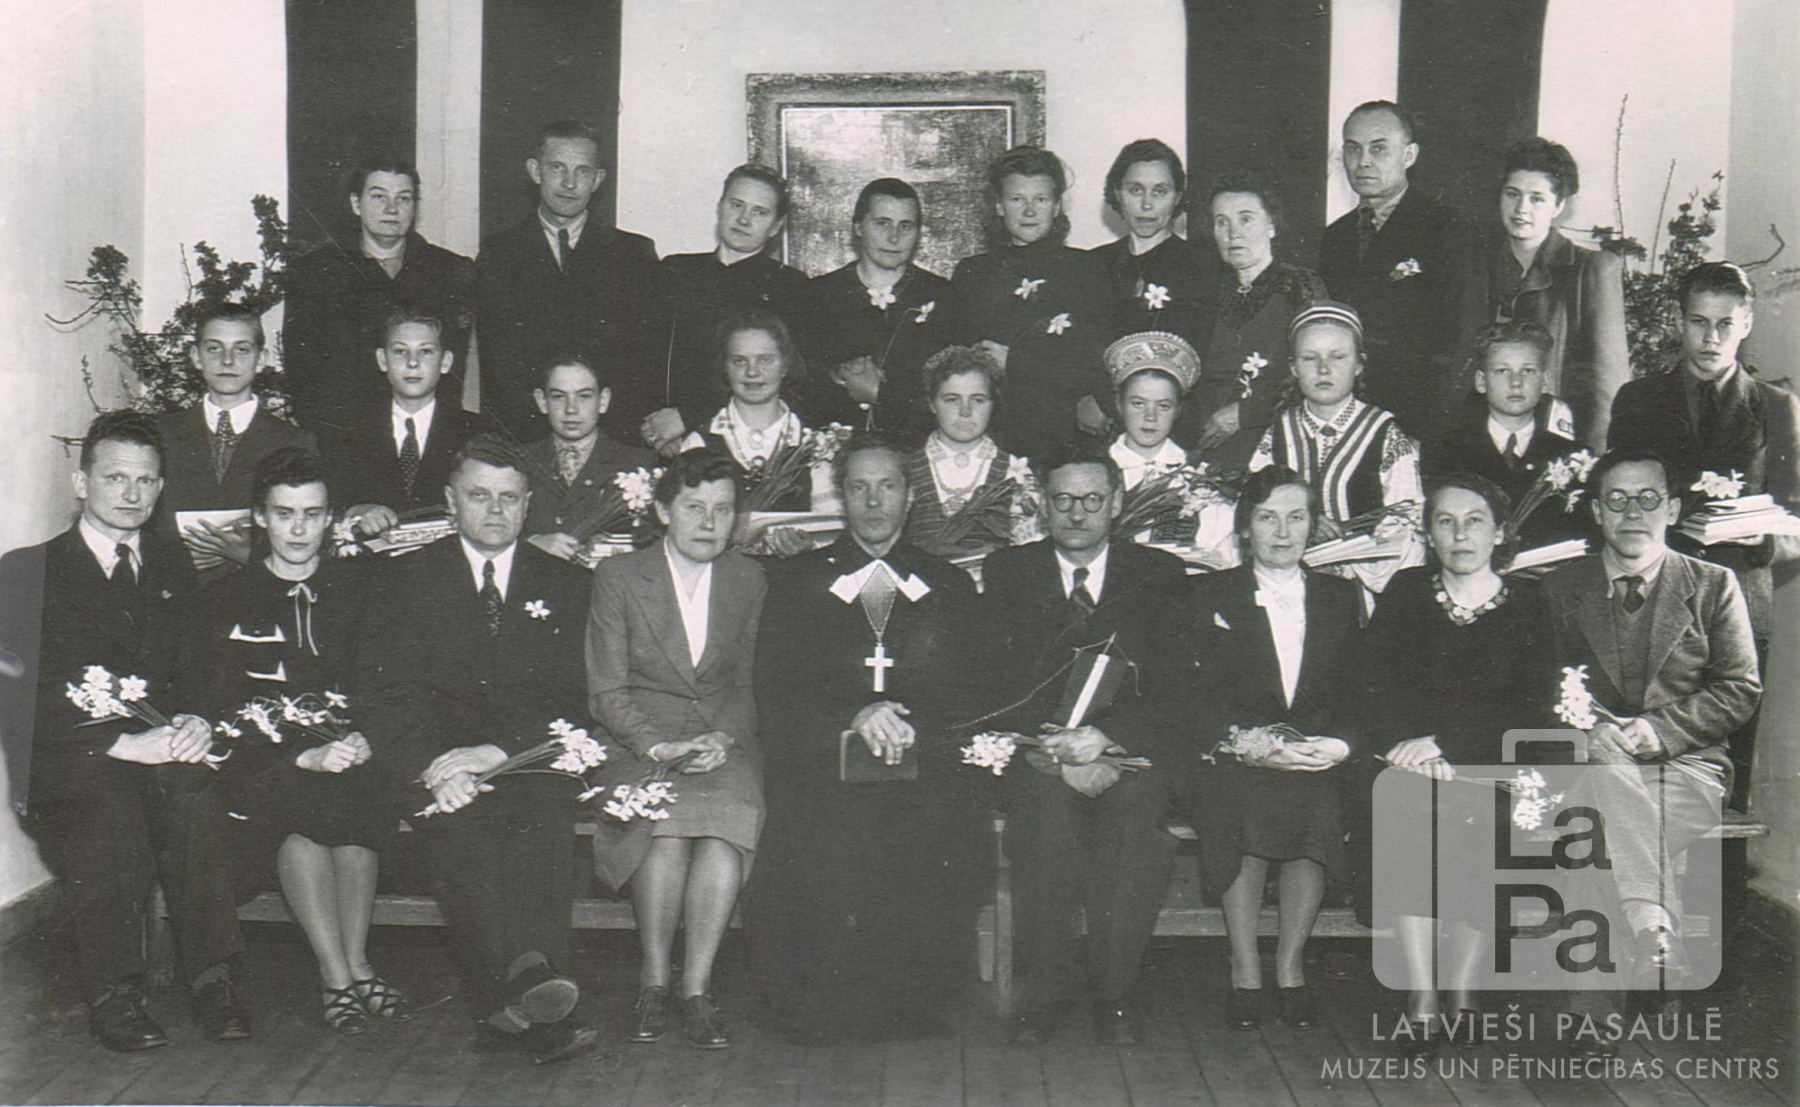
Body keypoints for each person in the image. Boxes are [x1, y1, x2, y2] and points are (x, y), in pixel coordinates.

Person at [0, 411, 248, 1051]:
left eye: (145, 480)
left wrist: (198, 720)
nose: (131, 493)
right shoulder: (28, 571)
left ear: (160, 488)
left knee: (194, 797)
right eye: (115, 478)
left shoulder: (172, 566)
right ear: (82, 483)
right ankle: (116, 995)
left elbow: (205, 665)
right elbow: (18, 694)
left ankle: (214, 982)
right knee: (108, 810)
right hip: (73, 762)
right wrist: (119, 743)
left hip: (161, 753)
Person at [352, 434, 598, 1064]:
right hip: (433, 762)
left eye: (509, 498)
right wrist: (433, 769)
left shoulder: (568, 583)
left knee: (542, 819)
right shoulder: (403, 578)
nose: (495, 510)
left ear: (528, 504)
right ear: (450, 500)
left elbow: (576, 694)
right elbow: (383, 694)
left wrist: (500, 751)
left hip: (529, 757)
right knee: (464, 824)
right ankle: (532, 988)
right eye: (479, 495)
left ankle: (513, 998)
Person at [750, 437, 986, 1043]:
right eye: (859, 487)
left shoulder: (948, 583)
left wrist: (910, 725)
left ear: (909, 497)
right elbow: (776, 686)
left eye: (887, 487)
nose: (874, 501)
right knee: (816, 829)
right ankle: (818, 994)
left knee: (934, 827)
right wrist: (854, 713)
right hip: (823, 758)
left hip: (921, 761)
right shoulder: (798, 580)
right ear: (841, 497)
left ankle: (911, 995)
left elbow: (968, 691)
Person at [1541, 449, 1760, 1033]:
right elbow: (1537, 686)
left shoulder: (1713, 585)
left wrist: (1659, 730)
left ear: (1674, 509)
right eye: (1616, 500)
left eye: (1647, 499)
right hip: (1588, 764)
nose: (1632, 513)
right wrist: (1588, 732)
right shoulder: (1560, 589)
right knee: (1598, 789)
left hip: (1686, 769)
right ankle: (1654, 930)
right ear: (1596, 512)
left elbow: (1740, 688)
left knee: (1592, 834)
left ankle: (1593, 1020)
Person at [981, 447, 1191, 1046]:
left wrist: (1107, 740)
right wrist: (1058, 754)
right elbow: (996, 683)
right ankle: (1043, 993)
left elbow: (1178, 686)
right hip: (1041, 752)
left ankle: (1114, 996)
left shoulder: (1158, 573)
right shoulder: (1009, 572)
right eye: (1063, 500)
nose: (1077, 513)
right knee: (1044, 819)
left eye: (1092, 500)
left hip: (1131, 750)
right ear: (1042, 504)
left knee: (1134, 819)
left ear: (1117, 503)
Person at [196, 448, 399, 1034]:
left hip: (348, 749)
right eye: (284, 514)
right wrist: (301, 754)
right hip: (263, 757)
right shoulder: (226, 597)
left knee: (356, 800)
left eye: (312, 514)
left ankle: (358, 964)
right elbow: (222, 701)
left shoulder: (361, 587)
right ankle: (335, 975)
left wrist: (363, 735)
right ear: (260, 517)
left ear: (331, 518)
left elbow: (386, 677)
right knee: (300, 808)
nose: (299, 529)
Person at [1357, 473, 1560, 1053]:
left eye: (1474, 521)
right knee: (1406, 809)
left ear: (1500, 533)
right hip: (1411, 763)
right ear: (1428, 534)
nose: (1460, 534)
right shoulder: (1406, 592)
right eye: (1444, 522)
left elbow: (1533, 703)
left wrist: (1447, 743)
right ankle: (1421, 994)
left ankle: (1464, 989)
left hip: (1492, 764)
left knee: (1482, 820)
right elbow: (1373, 683)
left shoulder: (1529, 603)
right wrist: (1409, 746)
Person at [586, 450, 767, 1050]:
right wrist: (658, 744)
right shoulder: (619, 577)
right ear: (663, 511)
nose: (709, 522)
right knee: (663, 831)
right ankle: (654, 982)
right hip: (638, 738)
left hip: (719, 741)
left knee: (722, 831)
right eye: (694, 507)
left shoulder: (748, 580)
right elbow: (606, 691)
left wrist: (723, 738)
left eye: (722, 509)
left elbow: (748, 686)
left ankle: (697, 990)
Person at [1188, 466, 1362, 1032]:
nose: (1282, 532)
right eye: (1267, 518)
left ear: (1313, 525)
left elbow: (1361, 689)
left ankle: (1290, 967)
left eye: (1295, 517)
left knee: (1319, 804)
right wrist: (1251, 744)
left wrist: (1336, 746)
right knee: (1243, 803)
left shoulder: (1341, 596)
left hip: (1314, 754)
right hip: (1239, 753)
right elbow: (1189, 692)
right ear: (1245, 527)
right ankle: (1244, 970)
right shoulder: (1211, 594)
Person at [476, 121, 662, 438]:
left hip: (613, 436)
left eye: (582, 171)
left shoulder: (634, 254)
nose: (569, 183)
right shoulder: (498, 254)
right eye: (557, 168)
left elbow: (644, 362)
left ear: (598, 180)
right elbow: (498, 365)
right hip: (526, 436)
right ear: (535, 171)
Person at [1317, 101, 1484, 438]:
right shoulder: (1335, 236)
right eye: (1353, 149)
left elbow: (1463, 341)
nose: (1363, 161)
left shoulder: (1446, 228)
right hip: (1345, 420)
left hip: (1420, 422)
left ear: (1409, 155)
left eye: (1378, 148)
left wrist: (1428, 430)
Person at [285, 156, 478, 433]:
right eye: (379, 197)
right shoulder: (315, 273)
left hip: (423, 432)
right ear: (356, 204)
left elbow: (454, 369)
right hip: (343, 433)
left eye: (403, 199)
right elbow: (302, 371)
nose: (392, 209)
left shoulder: (450, 271)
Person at [945, 145, 1111, 460]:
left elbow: (1095, 365)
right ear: (999, 206)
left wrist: (1017, 362)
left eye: (1041, 200)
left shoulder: (1086, 269)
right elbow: (957, 362)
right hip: (992, 434)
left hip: (1067, 434)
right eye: (1017, 200)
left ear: (1057, 206)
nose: (1029, 212)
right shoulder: (973, 273)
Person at [1249, 302, 1425, 599]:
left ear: (1358, 365)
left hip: (1361, 587)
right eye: (1309, 358)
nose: (1323, 369)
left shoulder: (1384, 433)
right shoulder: (1279, 431)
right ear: (1293, 367)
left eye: (1338, 357)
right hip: (1285, 582)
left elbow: (1407, 518)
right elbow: (1253, 508)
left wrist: (1350, 559)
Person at [642, 165, 809, 453]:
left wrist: (689, 418)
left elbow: (793, 380)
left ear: (776, 226)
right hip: (663, 437)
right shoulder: (676, 270)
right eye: (736, 205)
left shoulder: (792, 287)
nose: (744, 219)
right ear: (720, 207)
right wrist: (659, 428)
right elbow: (645, 357)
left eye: (759, 212)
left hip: (748, 439)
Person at [151, 302, 317, 572]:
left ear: (261, 359)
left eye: (241, 350)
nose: (227, 361)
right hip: (175, 587)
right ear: (196, 357)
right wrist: (172, 557)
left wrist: (248, 554)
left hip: (255, 588)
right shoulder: (160, 433)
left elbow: (307, 530)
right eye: (214, 348)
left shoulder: (295, 442)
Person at [1487, 137, 1628, 450]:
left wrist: (1588, 462)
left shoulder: (1591, 270)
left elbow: (1606, 388)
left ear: (1559, 206)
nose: (1521, 208)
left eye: (1537, 199)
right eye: (1512, 194)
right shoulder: (1478, 265)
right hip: (1485, 441)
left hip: (1557, 447)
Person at [791, 178, 950, 438]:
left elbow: (951, 396)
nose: (894, 238)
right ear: (858, 227)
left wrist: (882, 394)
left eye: (906, 226)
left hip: (916, 448)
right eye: (882, 223)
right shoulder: (816, 295)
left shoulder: (943, 296)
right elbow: (800, 389)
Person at [1192, 172, 1328, 468]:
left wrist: (1246, 412)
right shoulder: (1208, 291)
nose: (1233, 233)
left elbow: (1317, 369)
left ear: (1271, 226)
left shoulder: (1300, 286)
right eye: (1221, 222)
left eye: (1246, 219)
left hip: (1275, 444)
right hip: (1209, 445)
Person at [327, 309, 495, 538]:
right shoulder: (346, 431)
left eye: (426, 351)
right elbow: (330, 502)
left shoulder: (477, 433)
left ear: (445, 362)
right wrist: (357, 511)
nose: (413, 363)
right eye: (400, 351)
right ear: (382, 360)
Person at [1423, 321, 1590, 549]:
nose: (1516, 383)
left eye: (1528, 371)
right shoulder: (1445, 452)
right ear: (1481, 381)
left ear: (1545, 381)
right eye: (1502, 371)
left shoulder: (1574, 457)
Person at [678, 311, 838, 540]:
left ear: (785, 366)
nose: (752, 372)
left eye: (764, 360)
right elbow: (685, 525)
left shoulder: (814, 445)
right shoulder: (700, 442)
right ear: (725, 368)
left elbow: (829, 529)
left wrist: (807, 545)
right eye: (739, 361)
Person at [520, 352, 658, 563]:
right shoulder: (519, 460)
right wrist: (531, 543)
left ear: (603, 401)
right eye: (558, 397)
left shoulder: (640, 464)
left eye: (584, 396)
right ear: (542, 401)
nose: (571, 409)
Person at [901, 345, 1032, 562]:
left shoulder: (1015, 470)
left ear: (992, 404)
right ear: (932, 404)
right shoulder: (905, 468)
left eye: (978, 400)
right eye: (952, 399)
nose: (965, 411)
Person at [1088, 139, 1215, 353]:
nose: (1146, 204)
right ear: (1118, 193)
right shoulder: (1093, 264)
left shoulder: (1201, 265)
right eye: (1136, 190)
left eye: (1159, 191)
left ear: (1177, 197)